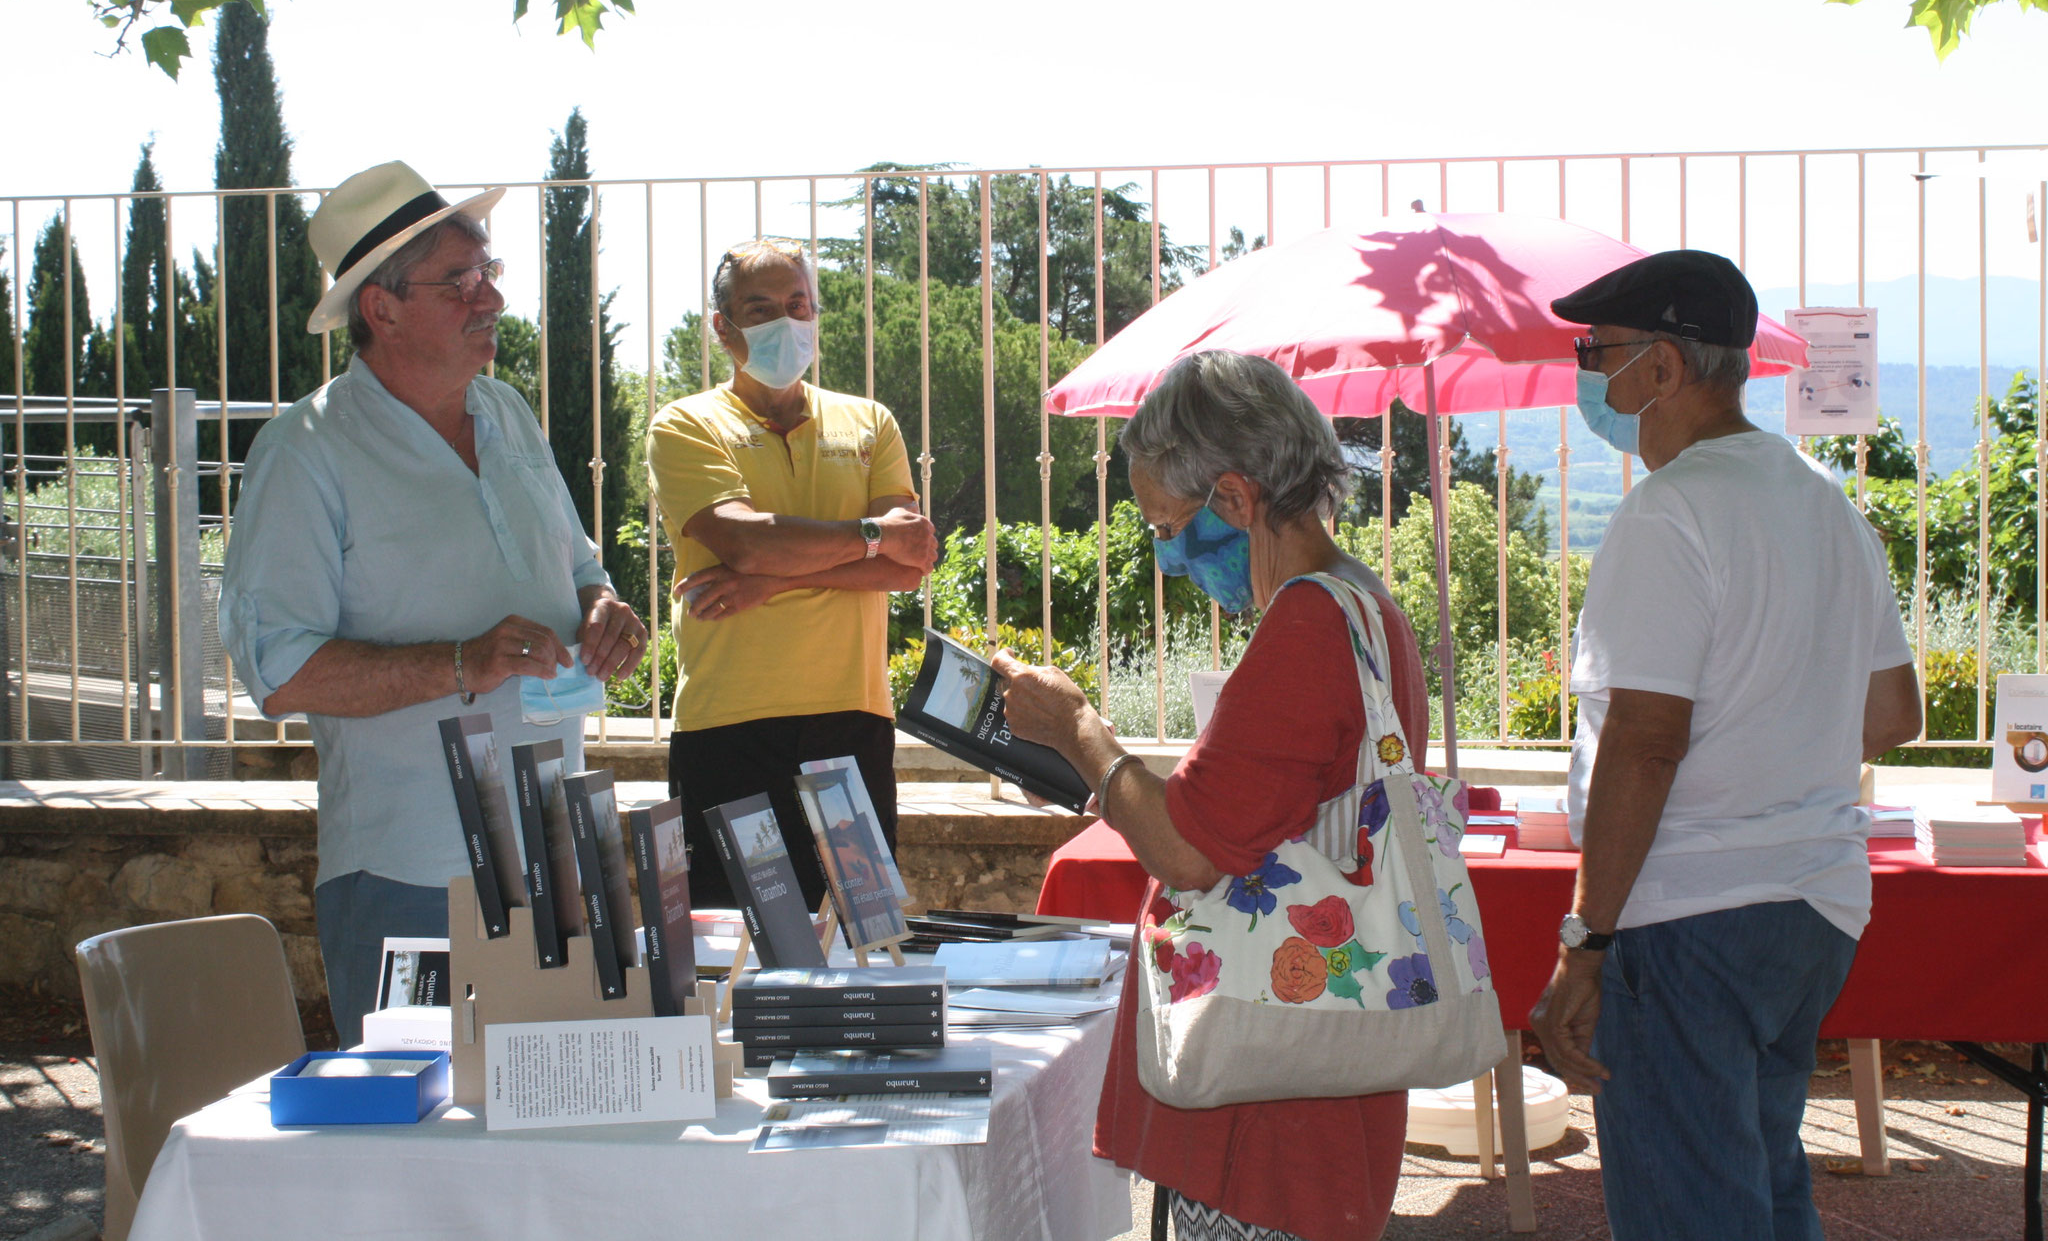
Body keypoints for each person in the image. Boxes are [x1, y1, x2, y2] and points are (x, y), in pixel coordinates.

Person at [1528, 250, 1922, 1241]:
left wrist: (1585, 942)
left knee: (1691, 1210)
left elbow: (1642, 742)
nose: (1588, 374)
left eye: (1597, 352)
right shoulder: (1826, 505)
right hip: (1811, 904)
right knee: (1757, 1183)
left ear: (1661, 367)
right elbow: (1890, 714)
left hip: (1686, 914)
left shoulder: (1666, 512)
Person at [995, 350, 1425, 1241]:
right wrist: (1119, 788)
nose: (1167, 555)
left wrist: (1078, 727)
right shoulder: (1364, 606)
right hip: (1318, 1068)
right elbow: (1252, 802)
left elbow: (1191, 848)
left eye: (1165, 526)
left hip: (1272, 1095)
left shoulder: (1307, 624)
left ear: (1234, 499)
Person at [219, 161, 647, 1046]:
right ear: (380, 307)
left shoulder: (509, 414)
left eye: (487, 272)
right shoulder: (305, 452)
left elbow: (580, 570)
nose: (489, 297)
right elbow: (280, 668)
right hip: (413, 876)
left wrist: (607, 609)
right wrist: (462, 661)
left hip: (560, 854)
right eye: (460, 280)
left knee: (569, 1129)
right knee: (418, 1160)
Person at [645, 237, 936, 909]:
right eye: (761, 307)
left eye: (798, 303)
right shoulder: (686, 424)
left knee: (861, 943)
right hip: (727, 737)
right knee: (736, 957)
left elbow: (909, 561)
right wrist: (866, 537)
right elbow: (744, 542)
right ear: (722, 326)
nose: (786, 319)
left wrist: (774, 580)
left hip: (852, 732)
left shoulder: (870, 422)